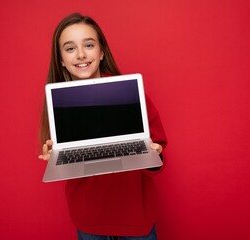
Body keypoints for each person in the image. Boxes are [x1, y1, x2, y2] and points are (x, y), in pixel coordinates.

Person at [38, 13, 167, 240]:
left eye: (89, 45)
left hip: (136, 218)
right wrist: (55, 155)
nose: (80, 54)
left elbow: (159, 152)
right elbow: (60, 152)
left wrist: (154, 155)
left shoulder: (132, 94)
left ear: (101, 52)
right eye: (69, 48)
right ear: (60, 59)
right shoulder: (57, 103)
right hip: (88, 221)